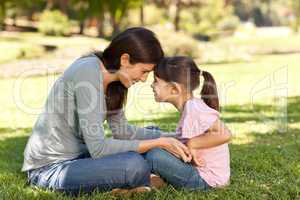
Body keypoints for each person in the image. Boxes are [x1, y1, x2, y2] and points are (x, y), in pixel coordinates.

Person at [22, 27, 230, 195]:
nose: (144, 79)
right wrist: (160, 142)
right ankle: (150, 179)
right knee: (134, 165)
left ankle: (152, 179)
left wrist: (172, 138)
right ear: (125, 60)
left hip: (79, 157)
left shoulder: (115, 83)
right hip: (51, 169)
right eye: (144, 71)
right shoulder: (88, 72)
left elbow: (123, 132)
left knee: (153, 134)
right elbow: (99, 149)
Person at [147, 56, 231, 190]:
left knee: (154, 155)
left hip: (206, 179)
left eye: (156, 81)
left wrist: (193, 144)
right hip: (197, 172)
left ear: (174, 89)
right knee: (152, 132)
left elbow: (224, 134)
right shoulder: (190, 107)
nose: (152, 85)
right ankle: (151, 181)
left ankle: (146, 180)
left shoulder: (195, 109)